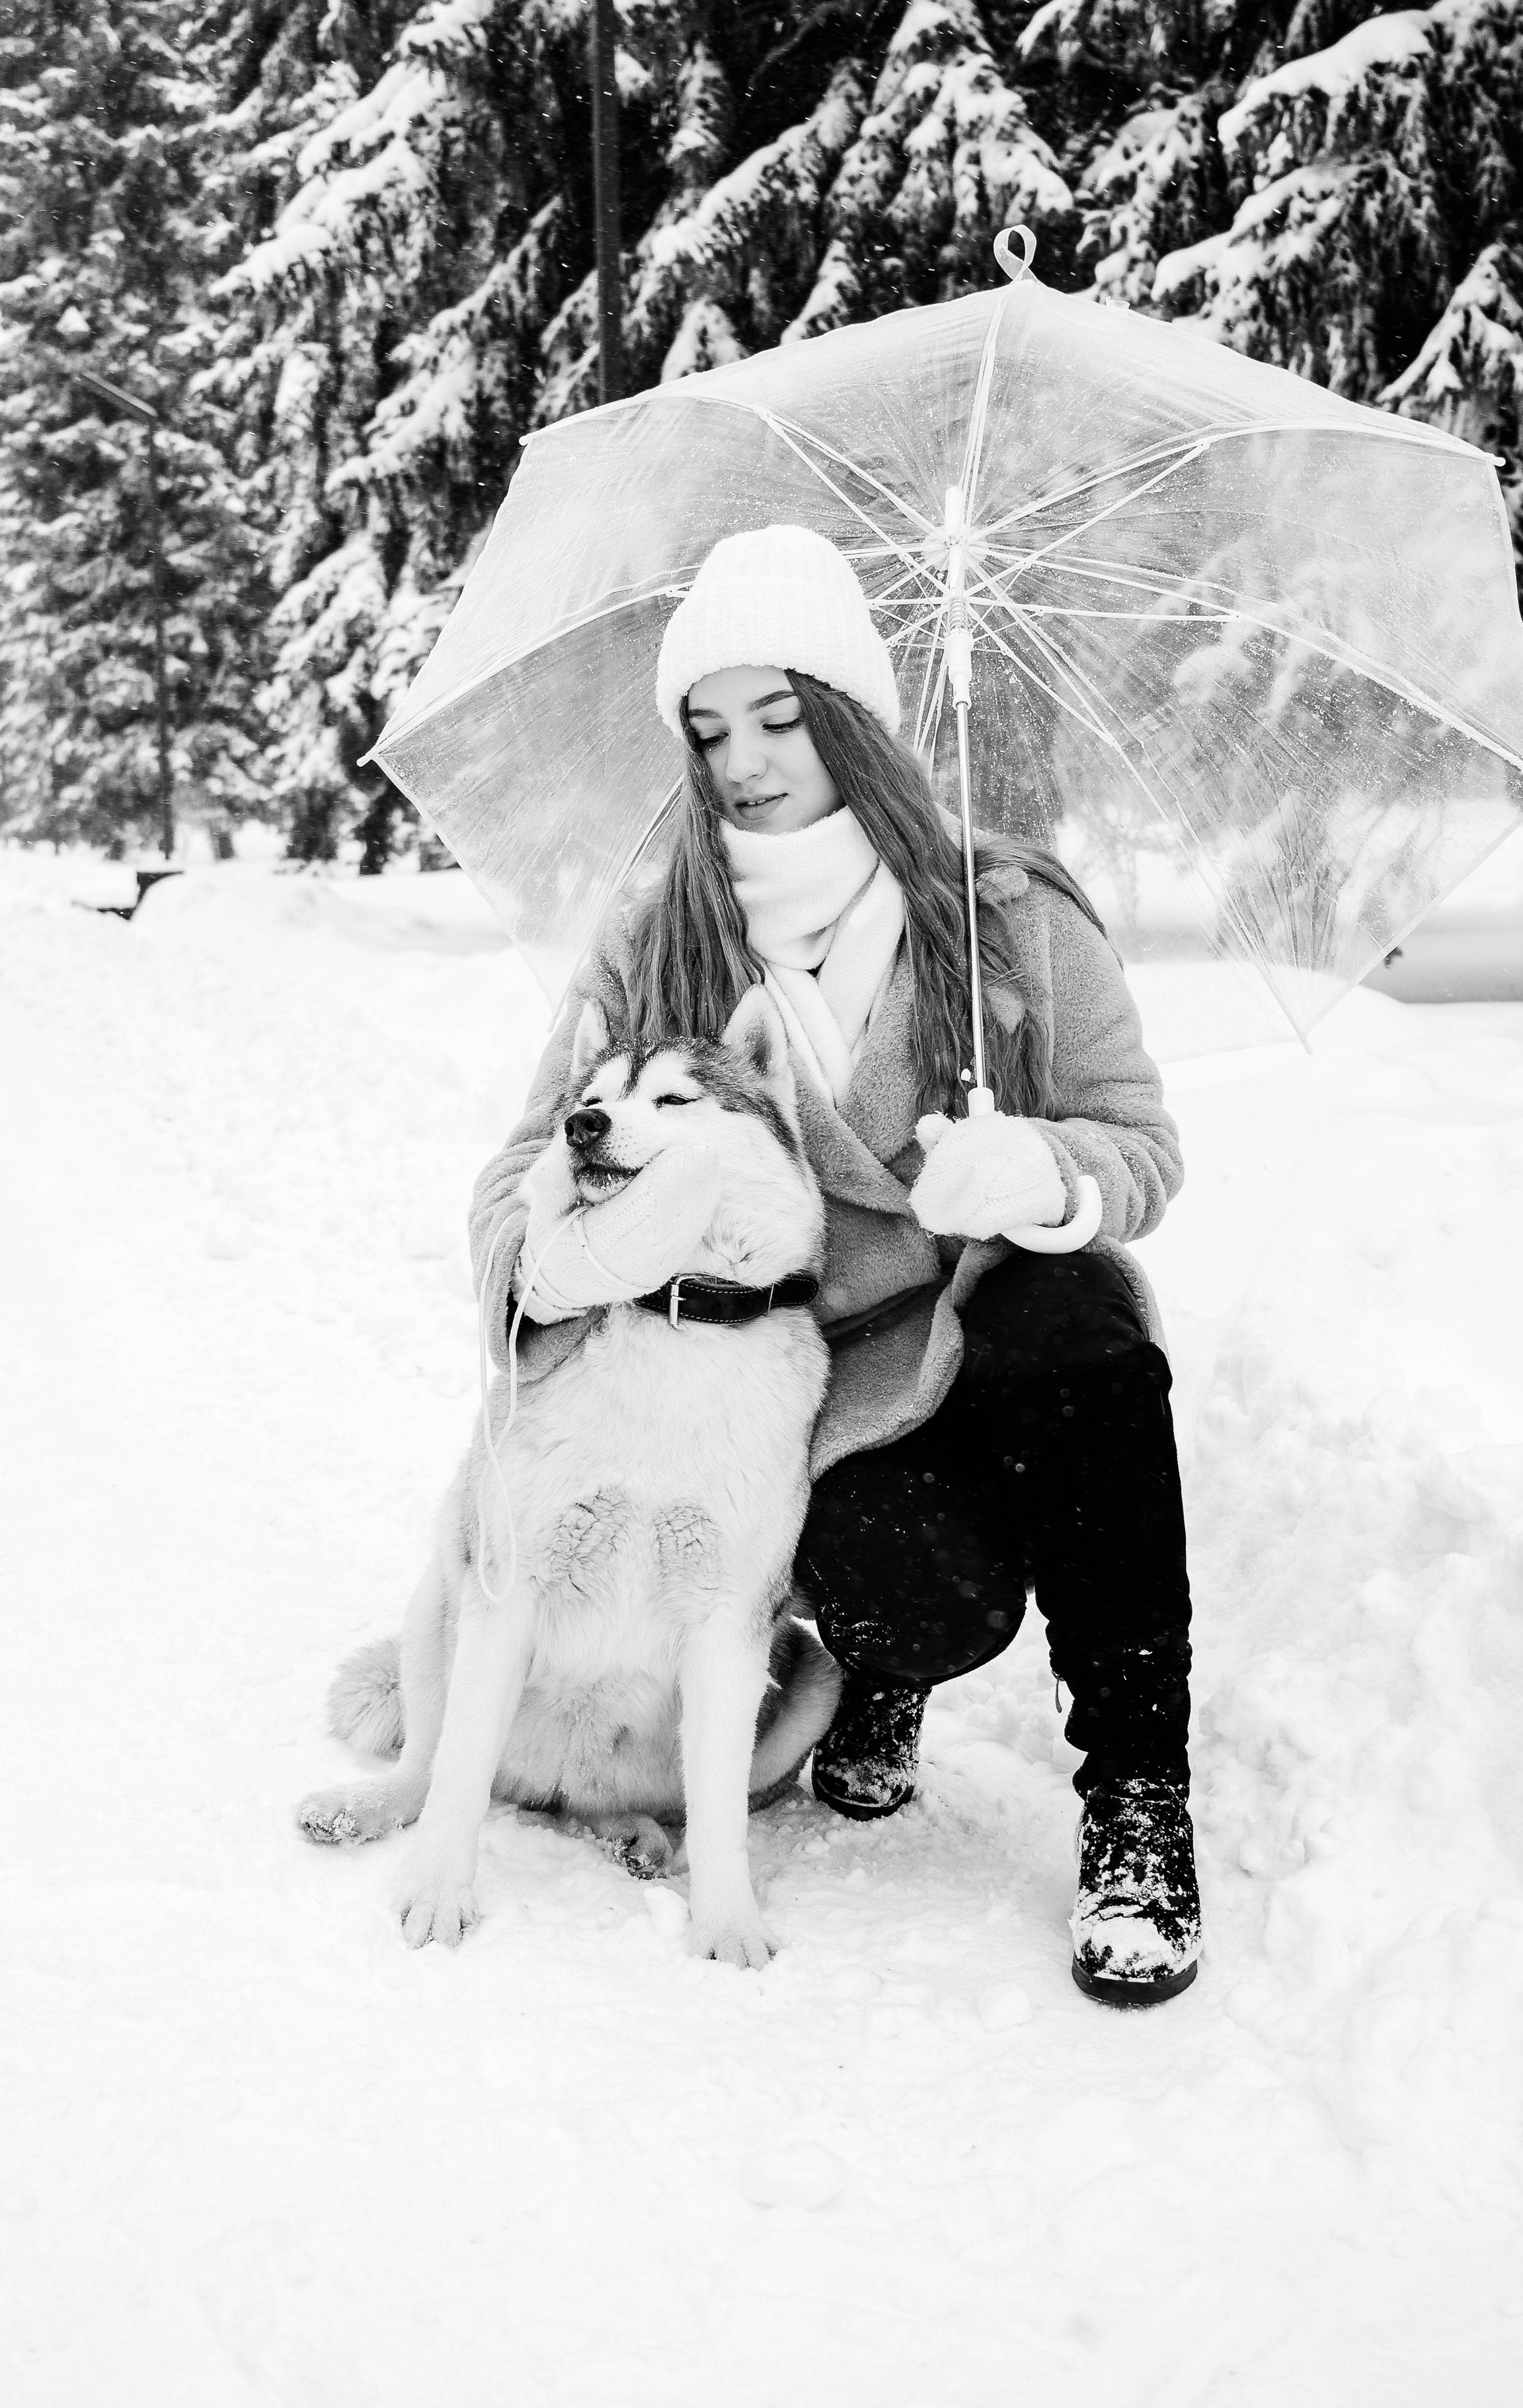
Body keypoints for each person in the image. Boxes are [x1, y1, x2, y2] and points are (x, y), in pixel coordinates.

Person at [469, 525, 1199, 2004]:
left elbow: (1140, 1146)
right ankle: (882, 1678)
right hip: (822, 1390)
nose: (741, 759)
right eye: (707, 725)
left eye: (781, 716)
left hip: (999, 1343)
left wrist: (1045, 1172)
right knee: (895, 1584)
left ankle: (1137, 1796)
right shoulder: (661, 938)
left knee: (1091, 1330)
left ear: (854, 718)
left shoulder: (1003, 920)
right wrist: (550, 1269)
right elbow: (513, 1177)